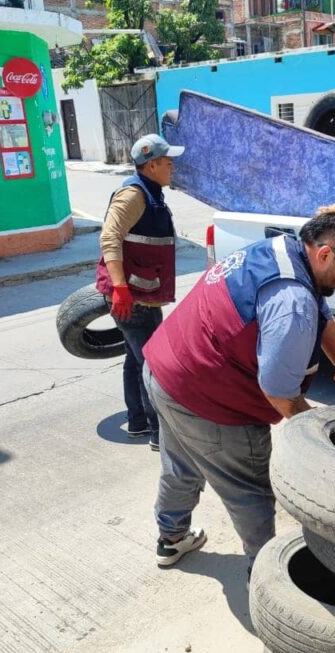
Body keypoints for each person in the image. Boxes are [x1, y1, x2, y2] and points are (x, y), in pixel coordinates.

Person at [142, 203, 335, 568]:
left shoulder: (284, 251)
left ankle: (171, 538)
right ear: (325, 253)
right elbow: (279, 391)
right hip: (210, 398)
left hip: (165, 372)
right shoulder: (292, 301)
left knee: (181, 463)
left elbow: (324, 313)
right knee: (249, 489)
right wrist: (320, 436)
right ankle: (264, 572)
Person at [96, 133, 184, 451]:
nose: (172, 166)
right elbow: (109, 237)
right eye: (168, 161)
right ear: (151, 165)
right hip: (132, 298)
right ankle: (160, 434)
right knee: (152, 364)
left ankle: (137, 422)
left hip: (143, 294)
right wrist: (119, 288)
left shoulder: (153, 193)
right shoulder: (134, 195)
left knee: (135, 360)